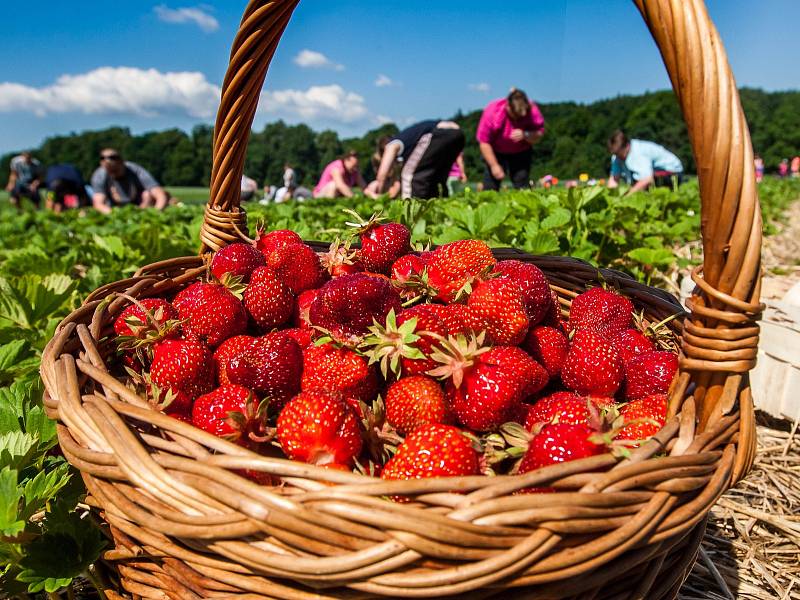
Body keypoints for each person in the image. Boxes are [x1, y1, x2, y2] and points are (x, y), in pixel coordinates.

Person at [370, 120, 465, 199]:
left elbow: (382, 175)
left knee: (410, 176)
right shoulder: (408, 144)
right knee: (437, 178)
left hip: (438, 133)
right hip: (458, 134)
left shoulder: (392, 144)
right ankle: (440, 206)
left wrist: (380, 196)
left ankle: (411, 213)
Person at [476, 88, 545, 190]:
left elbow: (539, 134)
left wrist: (526, 134)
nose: (517, 119)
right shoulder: (492, 111)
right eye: (514, 115)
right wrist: (494, 165)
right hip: (495, 151)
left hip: (521, 151)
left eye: (520, 117)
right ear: (507, 106)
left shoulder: (532, 110)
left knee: (522, 184)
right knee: (490, 186)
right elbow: (484, 142)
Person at [90, 149, 168, 214]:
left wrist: (156, 213)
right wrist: (115, 216)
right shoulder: (100, 175)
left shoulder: (135, 170)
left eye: (115, 170)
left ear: (121, 161)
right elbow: (98, 202)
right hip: (114, 208)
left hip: (140, 206)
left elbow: (160, 194)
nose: (112, 173)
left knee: (147, 194)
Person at [606, 130, 684, 193]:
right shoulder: (616, 156)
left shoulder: (638, 153)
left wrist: (628, 197)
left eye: (619, 154)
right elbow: (614, 179)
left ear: (627, 146)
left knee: (645, 188)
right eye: (615, 154)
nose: (617, 157)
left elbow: (646, 179)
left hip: (671, 172)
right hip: (652, 174)